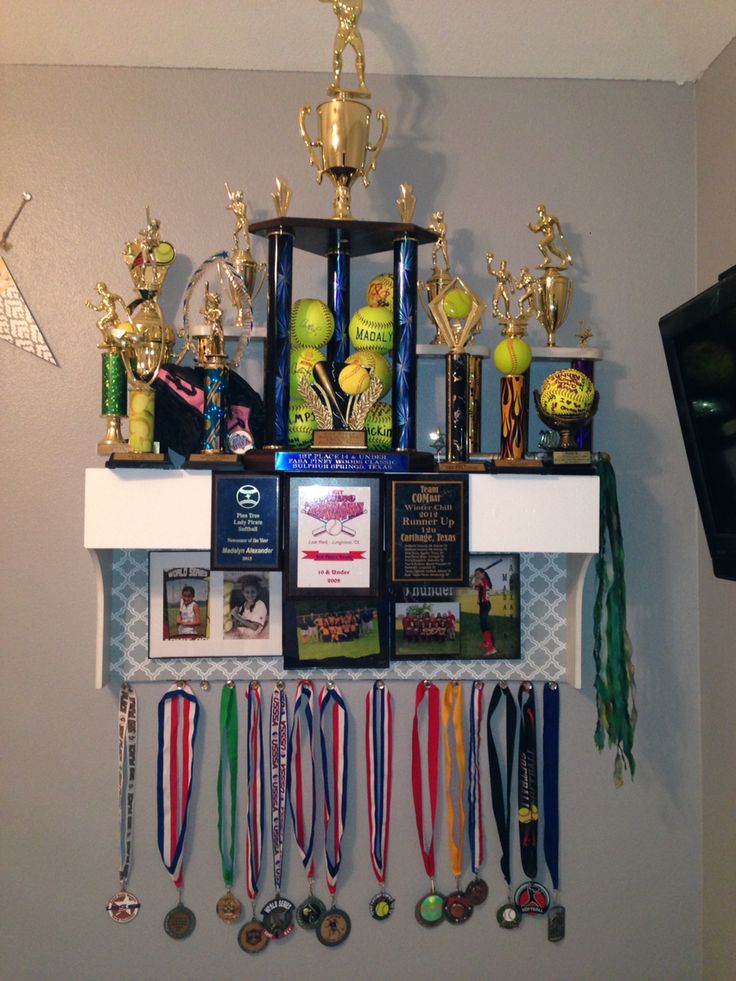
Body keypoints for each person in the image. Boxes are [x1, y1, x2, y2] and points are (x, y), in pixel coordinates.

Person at [319, 0, 369, 96]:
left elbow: (355, 14)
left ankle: (362, 84)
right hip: (342, 32)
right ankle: (336, 81)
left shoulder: (357, 1)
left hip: (353, 32)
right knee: (337, 53)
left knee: (360, 54)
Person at [472, 568, 497, 655]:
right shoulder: (482, 580)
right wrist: (474, 578)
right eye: (476, 574)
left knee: (484, 625)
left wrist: (472, 578)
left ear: (483, 574)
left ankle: (491, 648)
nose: (477, 575)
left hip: (485, 605)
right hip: (483, 605)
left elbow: (474, 583)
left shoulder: (483, 580)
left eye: (478, 574)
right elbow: (474, 588)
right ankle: (487, 642)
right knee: (482, 624)